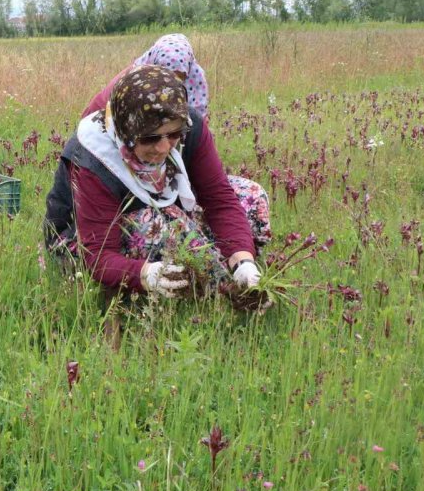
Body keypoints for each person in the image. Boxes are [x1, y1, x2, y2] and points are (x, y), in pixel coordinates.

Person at [44, 65, 272, 314]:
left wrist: (242, 260)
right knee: (153, 225)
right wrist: (144, 274)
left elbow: (219, 198)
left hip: (164, 212)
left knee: (250, 196)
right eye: (150, 138)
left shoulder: (189, 125)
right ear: (126, 130)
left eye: (173, 134)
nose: (164, 147)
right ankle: (213, 286)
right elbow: (97, 254)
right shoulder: (94, 157)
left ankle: (236, 275)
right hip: (84, 243)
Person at [83, 33, 210, 120]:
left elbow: (197, 123)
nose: (172, 85)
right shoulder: (132, 81)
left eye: (179, 78)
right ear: (154, 66)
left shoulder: (195, 79)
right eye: (166, 76)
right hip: (100, 125)